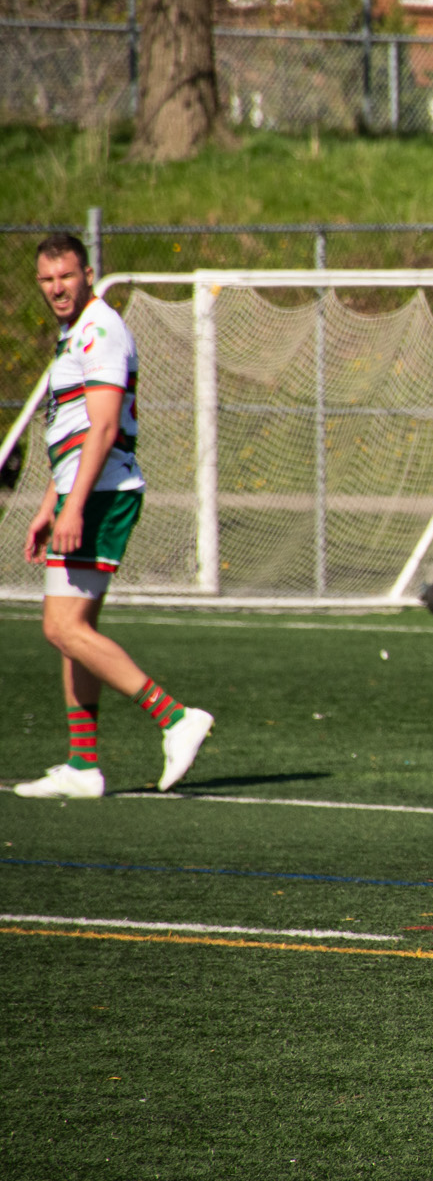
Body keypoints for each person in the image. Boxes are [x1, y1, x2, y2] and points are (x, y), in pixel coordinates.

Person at [15, 234, 212, 799]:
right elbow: (74, 430)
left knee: (62, 626)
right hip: (83, 489)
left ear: (89, 273)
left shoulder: (100, 329)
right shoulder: (73, 332)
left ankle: (176, 717)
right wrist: (50, 503)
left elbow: (103, 427)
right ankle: (82, 765)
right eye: (47, 280)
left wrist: (73, 504)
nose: (56, 288)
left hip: (101, 493)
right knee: (72, 632)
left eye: (66, 277)